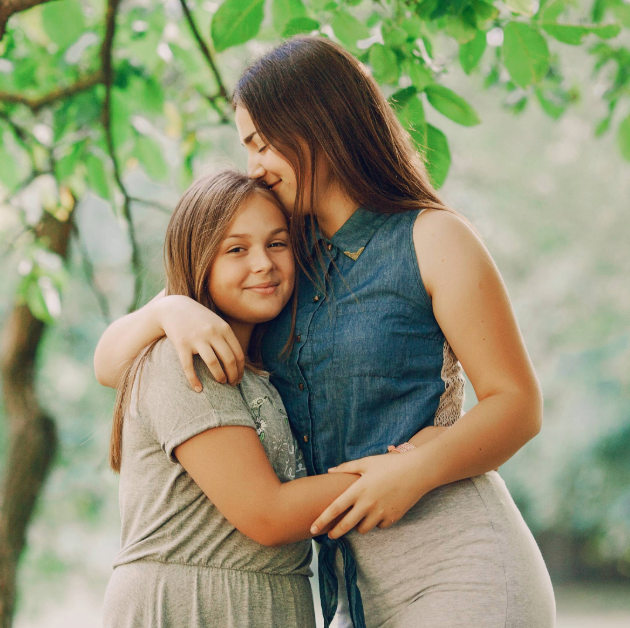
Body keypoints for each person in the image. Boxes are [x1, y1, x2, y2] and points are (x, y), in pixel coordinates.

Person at [96, 37, 556, 628]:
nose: (254, 164)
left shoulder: (432, 237)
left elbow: (517, 405)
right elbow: (112, 361)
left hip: (456, 558)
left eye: (263, 143)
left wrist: (414, 469)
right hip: (352, 584)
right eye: (247, 147)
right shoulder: (275, 258)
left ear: (319, 125)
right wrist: (170, 311)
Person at [102, 171, 445, 628]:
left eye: (277, 243)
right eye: (236, 249)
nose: (263, 263)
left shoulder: (268, 365)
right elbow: (268, 514)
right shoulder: (184, 358)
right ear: (199, 260)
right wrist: (414, 461)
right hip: (192, 605)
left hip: (268, 601)